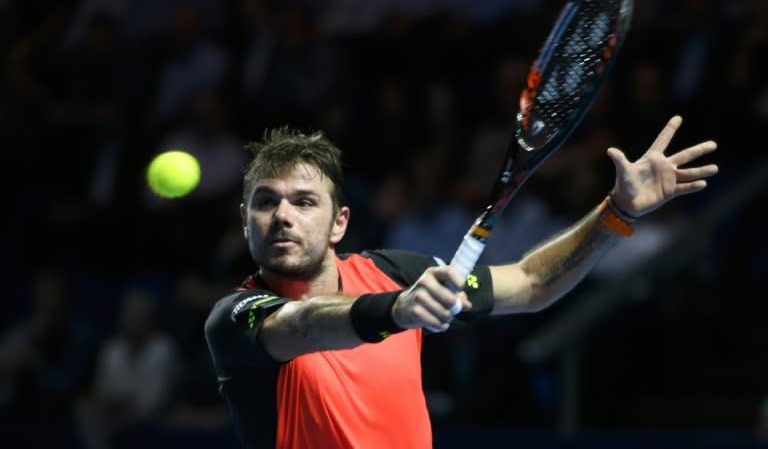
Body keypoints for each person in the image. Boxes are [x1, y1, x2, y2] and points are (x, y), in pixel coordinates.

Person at [204, 117, 718, 449]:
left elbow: (531, 282)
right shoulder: (236, 317)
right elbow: (307, 324)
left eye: (303, 201)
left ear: (339, 222)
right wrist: (397, 312)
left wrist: (616, 212)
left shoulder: (395, 271)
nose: (282, 216)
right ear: (245, 219)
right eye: (265, 202)